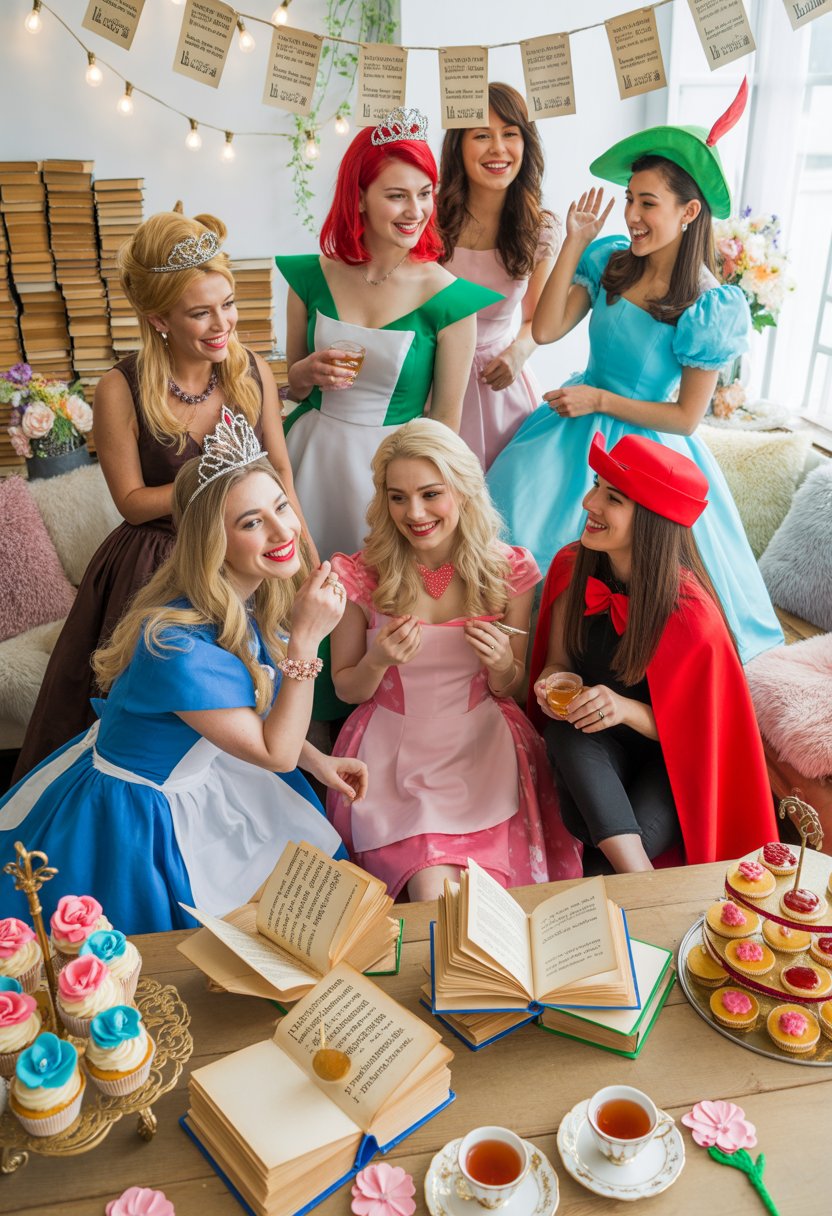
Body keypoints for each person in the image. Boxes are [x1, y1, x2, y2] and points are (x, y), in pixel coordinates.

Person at [0, 413, 366, 934]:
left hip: (205, 772)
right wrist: (305, 642)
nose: (283, 530)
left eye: (281, 505)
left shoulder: (244, 597)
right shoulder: (173, 643)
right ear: (212, 543)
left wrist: (319, 759)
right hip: (135, 812)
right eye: (251, 522)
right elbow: (274, 754)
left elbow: (246, 711)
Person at [487, 81, 783, 663]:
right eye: (630, 198)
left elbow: (686, 419)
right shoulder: (611, 261)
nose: (632, 214)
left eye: (648, 203)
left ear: (689, 211)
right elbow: (544, 331)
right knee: (517, 534)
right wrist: (574, 243)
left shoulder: (708, 305)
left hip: (642, 449)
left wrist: (598, 399)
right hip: (570, 429)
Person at [14, 208, 311, 780]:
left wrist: (306, 560)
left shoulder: (250, 371)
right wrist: (209, 490)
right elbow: (129, 500)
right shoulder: (118, 389)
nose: (222, 323)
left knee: (254, 705)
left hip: (242, 554)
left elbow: (281, 475)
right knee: (139, 720)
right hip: (158, 561)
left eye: (227, 303)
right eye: (200, 313)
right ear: (158, 320)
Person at [325, 418, 582, 902]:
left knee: (482, 897)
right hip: (393, 756)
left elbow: (512, 685)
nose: (414, 512)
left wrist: (504, 663)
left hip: (482, 748)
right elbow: (347, 688)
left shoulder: (510, 571)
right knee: (433, 894)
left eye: (430, 493)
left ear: (463, 490)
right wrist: (378, 659)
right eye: (397, 496)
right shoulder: (358, 575)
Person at [529, 431, 777, 872]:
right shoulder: (572, 567)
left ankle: (631, 880)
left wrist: (623, 708)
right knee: (564, 734)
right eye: (595, 486)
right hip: (593, 747)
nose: (589, 504)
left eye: (614, 498)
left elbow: (705, 737)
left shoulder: (691, 615)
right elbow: (559, 661)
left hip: (670, 765)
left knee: (608, 858)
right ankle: (636, 879)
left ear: (651, 519)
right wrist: (551, 684)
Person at [277, 107, 502, 563]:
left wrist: (415, 501)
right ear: (358, 198)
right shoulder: (308, 277)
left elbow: (444, 428)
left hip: (394, 479)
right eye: (397, 195)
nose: (415, 211)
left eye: (425, 194)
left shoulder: (451, 302)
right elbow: (294, 388)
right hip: (310, 459)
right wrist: (304, 372)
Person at [437, 82, 560, 469]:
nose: (498, 148)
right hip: (433, 382)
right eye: (482, 136)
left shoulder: (540, 229)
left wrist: (517, 353)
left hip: (501, 387)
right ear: (459, 146)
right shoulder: (429, 219)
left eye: (510, 134)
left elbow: (537, 319)